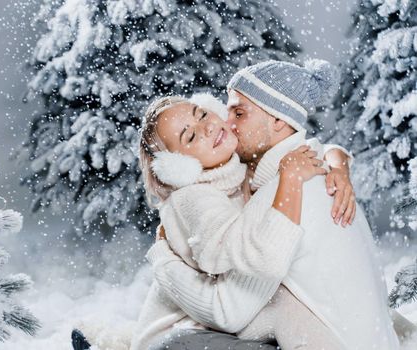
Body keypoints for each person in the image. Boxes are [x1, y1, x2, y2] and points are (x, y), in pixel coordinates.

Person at [136, 59, 402, 350]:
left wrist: (163, 259)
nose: (225, 122)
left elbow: (229, 312)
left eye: (239, 112)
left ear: (277, 119)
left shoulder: (288, 191)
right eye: (227, 109)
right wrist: (337, 158)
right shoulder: (305, 170)